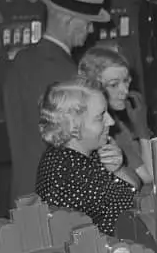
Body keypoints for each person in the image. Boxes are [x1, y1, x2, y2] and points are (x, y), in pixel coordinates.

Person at [3, 0, 110, 203]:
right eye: (88, 22)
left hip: (24, 191)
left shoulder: (21, 59)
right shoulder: (66, 74)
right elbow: (79, 143)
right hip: (57, 199)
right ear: (69, 20)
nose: (91, 30)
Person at [34, 78, 139, 236]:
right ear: (72, 126)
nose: (111, 121)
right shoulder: (69, 171)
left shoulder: (73, 154)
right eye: (100, 116)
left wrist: (117, 168)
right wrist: (119, 172)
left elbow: (135, 187)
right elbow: (136, 200)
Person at [78, 46, 153, 185]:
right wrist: (143, 130)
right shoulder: (106, 130)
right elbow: (150, 176)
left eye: (126, 81)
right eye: (114, 85)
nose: (124, 91)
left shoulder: (117, 121)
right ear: (94, 87)